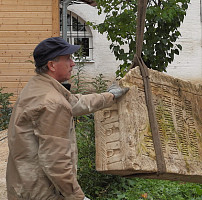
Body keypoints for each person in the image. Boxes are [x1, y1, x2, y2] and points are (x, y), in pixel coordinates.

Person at [6, 37, 129, 200]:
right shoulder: (52, 102)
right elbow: (56, 161)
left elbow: (76, 102)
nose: (73, 63)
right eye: (68, 59)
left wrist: (109, 96)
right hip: (43, 192)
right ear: (52, 65)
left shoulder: (38, 87)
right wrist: (76, 196)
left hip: (24, 185)